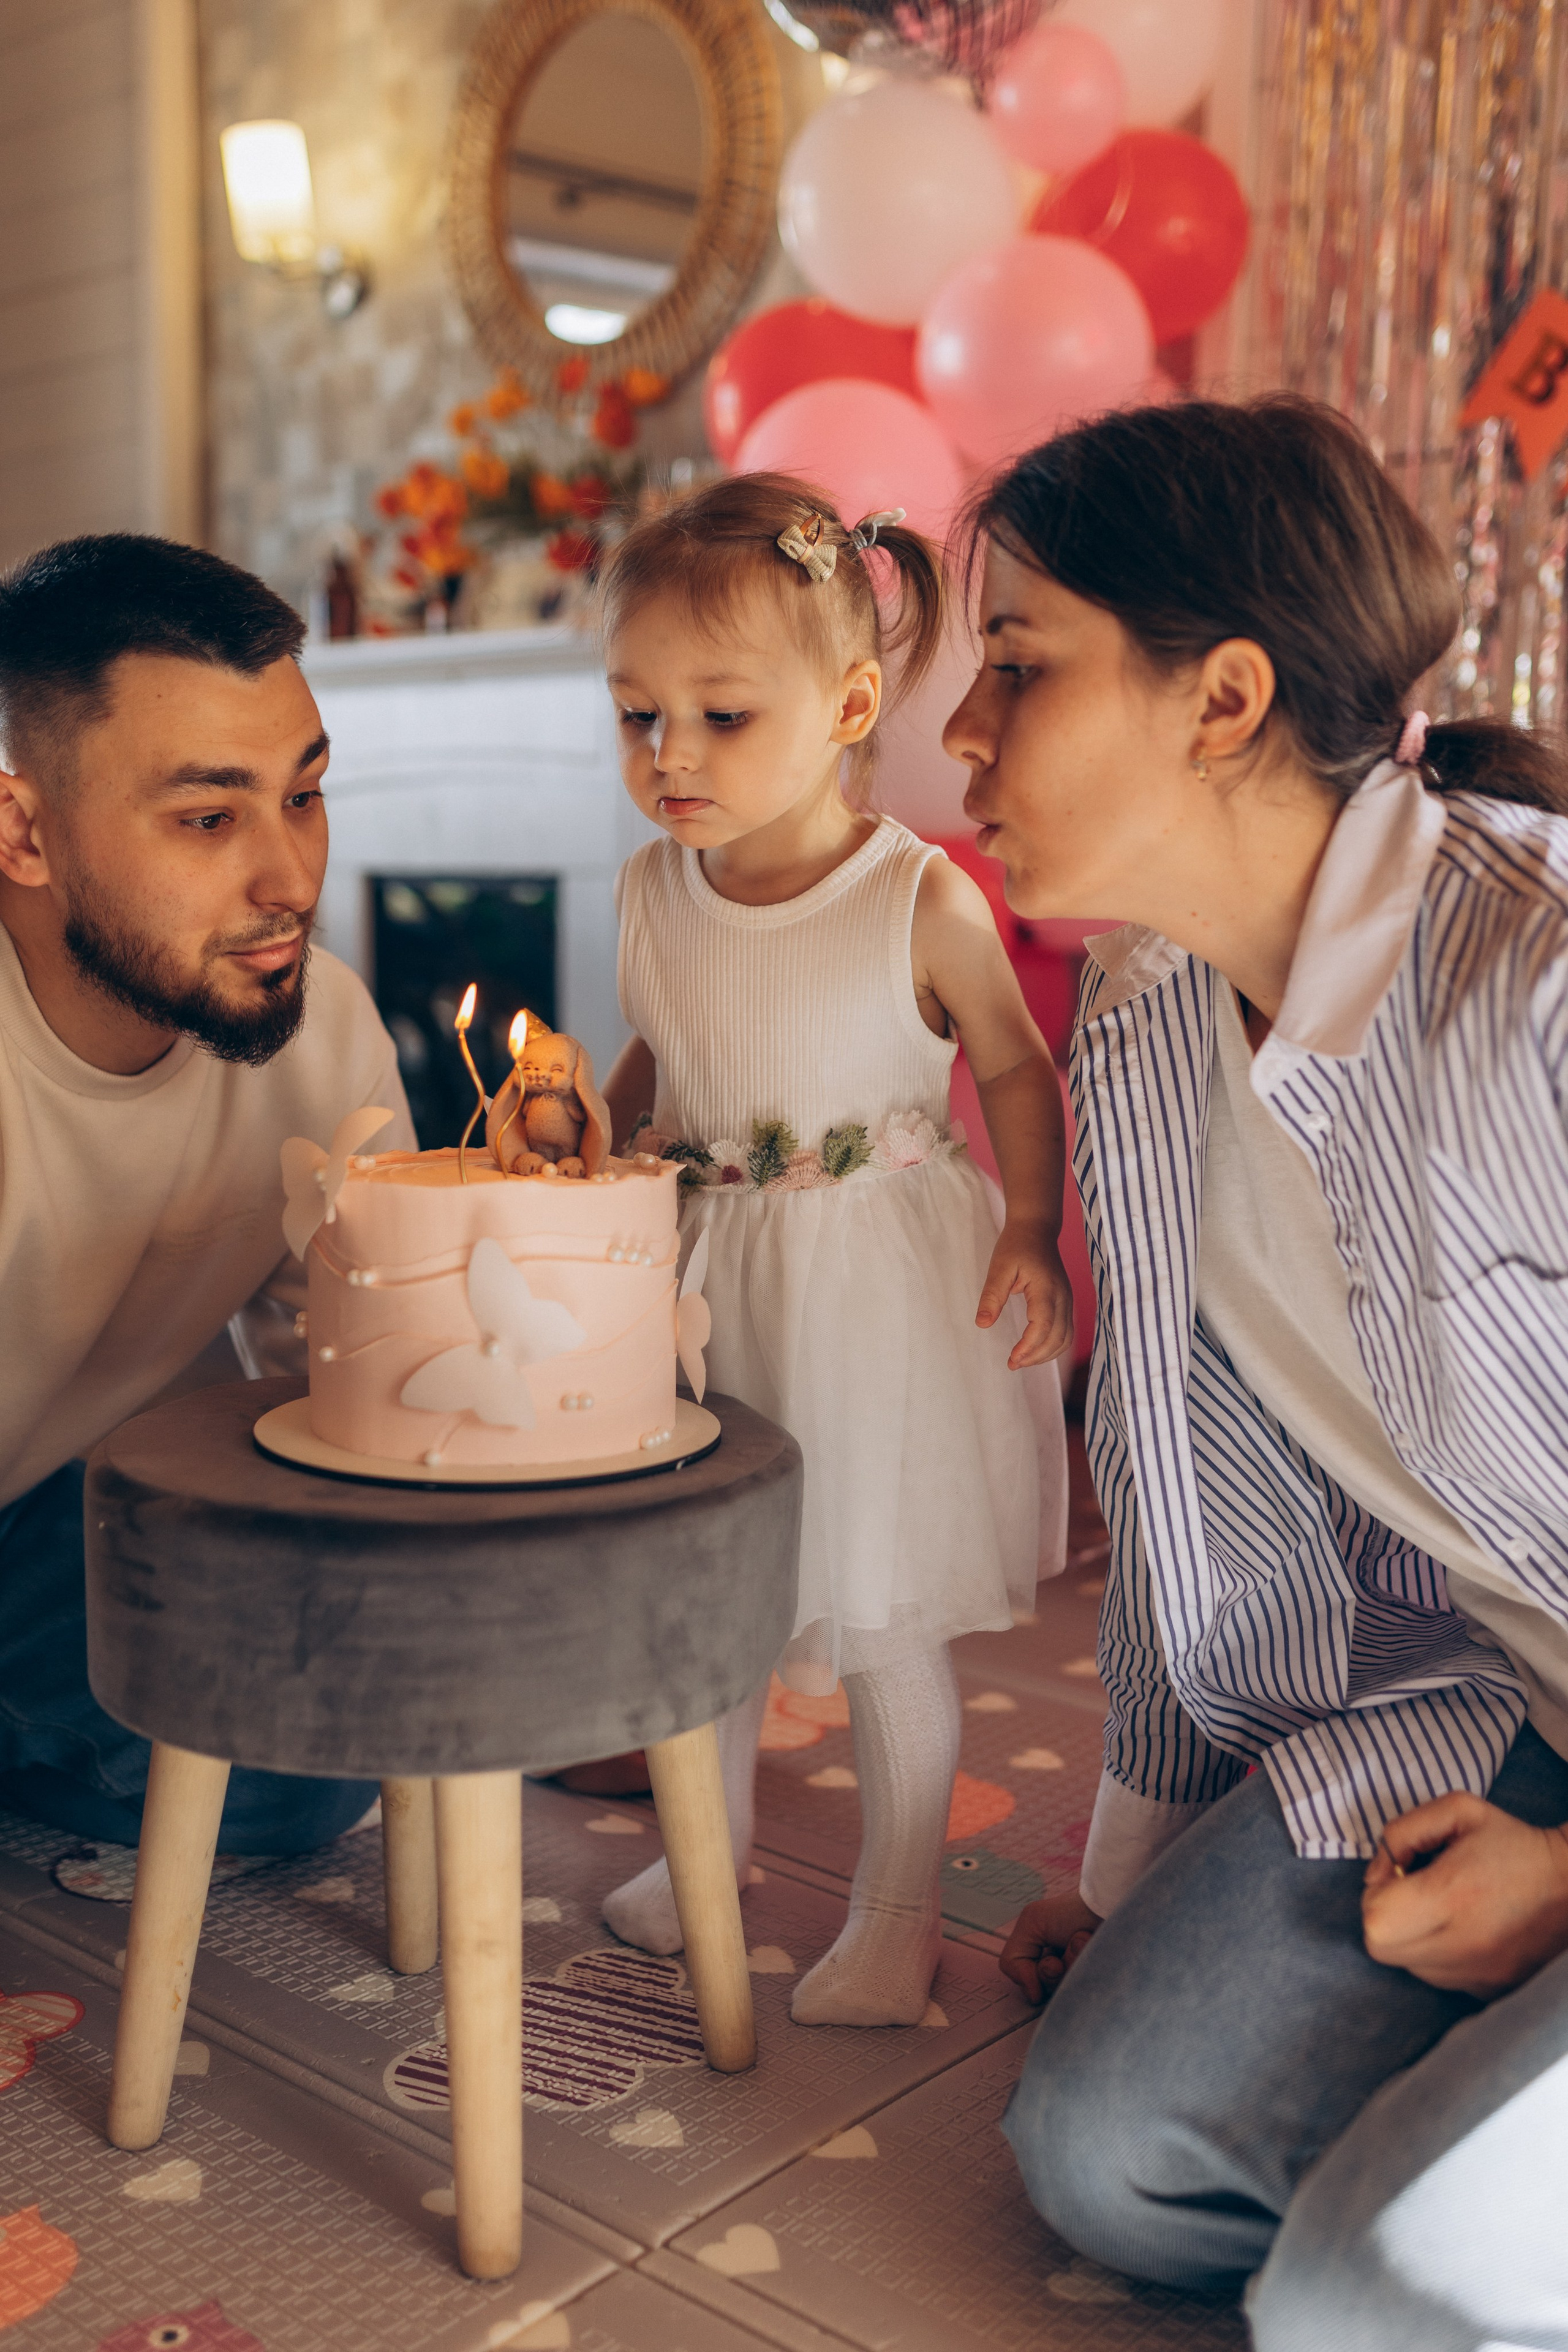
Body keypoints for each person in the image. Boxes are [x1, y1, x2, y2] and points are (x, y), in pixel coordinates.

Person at [943, 394, 1568, 2348]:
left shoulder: (1539, 981)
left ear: (1220, 702)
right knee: (1105, 2151)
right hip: (1488, 1696)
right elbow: (1193, 1500)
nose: (957, 730)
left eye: (1018, 666)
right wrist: (1134, 1866)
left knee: (1360, 2297)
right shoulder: (1140, 1024)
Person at [590, 473, 1071, 2027]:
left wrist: (1027, 1225)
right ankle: (707, 1841)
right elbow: (660, 1055)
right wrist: (593, 1151)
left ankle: (896, 1909)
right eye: (636, 715)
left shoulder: (912, 897)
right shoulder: (652, 892)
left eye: (720, 717)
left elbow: (1011, 1065)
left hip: (870, 1303)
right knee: (714, 1599)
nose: (669, 756)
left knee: (874, 1613)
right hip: (709, 1293)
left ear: (850, 700)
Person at [0, 534, 414, 1853]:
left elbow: (371, 1389)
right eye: (206, 819)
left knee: (321, 1757)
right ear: (23, 828)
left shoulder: (322, 1028)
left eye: (304, 795)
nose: (291, 879)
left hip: (72, 1512)